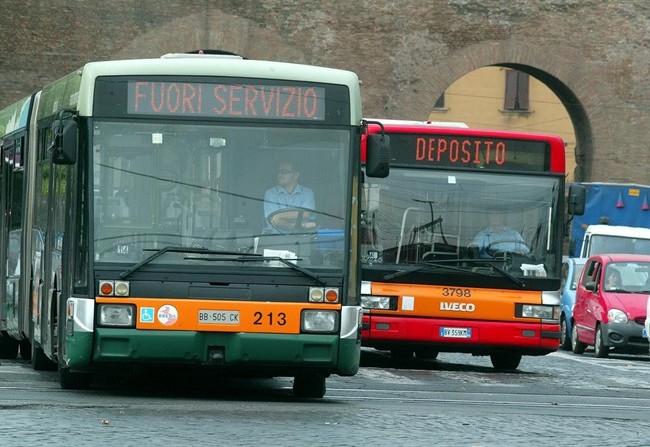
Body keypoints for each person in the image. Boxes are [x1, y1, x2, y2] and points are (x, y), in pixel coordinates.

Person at [263, 162, 316, 233]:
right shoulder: (270, 193)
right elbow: (274, 220)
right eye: (278, 172)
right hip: (275, 237)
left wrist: (280, 215)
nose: (279, 175)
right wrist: (301, 226)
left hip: (302, 238)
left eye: (284, 172)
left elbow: (305, 213)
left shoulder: (307, 193)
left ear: (296, 175)